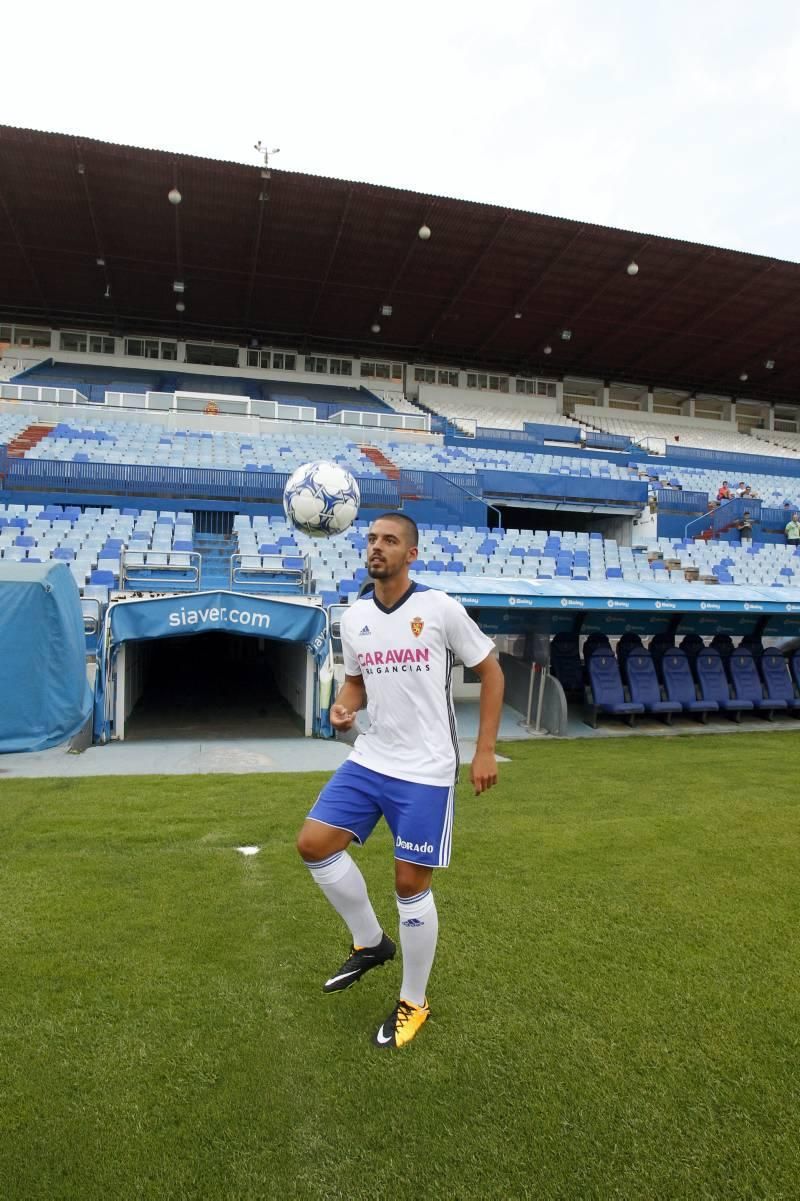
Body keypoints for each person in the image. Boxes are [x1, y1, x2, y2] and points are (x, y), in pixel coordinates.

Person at [296, 512, 504, 1049]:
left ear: (411, 553)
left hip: (427, 768)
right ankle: (370, 943)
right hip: (372, 758)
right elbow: (355, 685)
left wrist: (484, 752)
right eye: (371, 539)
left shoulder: (439, 609)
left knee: (410, 884)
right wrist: (344, 708)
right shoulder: (355, 616)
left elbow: (492, 672)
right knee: (314, 844)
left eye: (389, 540)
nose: (377, 547)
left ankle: (414, 998)